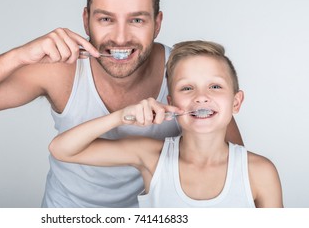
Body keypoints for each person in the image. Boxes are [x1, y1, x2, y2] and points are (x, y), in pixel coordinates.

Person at [0, 0, 243, 207]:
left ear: (157, 23)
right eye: (106, 19)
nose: (120, 37)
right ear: (85, 19)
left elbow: (234, 164)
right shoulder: (60, 70)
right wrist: (18, 56)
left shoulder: (185, 74)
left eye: (137, 19)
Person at [49, 40, 283, 208]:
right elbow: (61, 149)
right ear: (171, 102)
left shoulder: (259, 172)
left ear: (236, 102)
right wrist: (120, 117)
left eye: (215, 86)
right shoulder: (152, 156)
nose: (201, 96)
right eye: (187, 88)